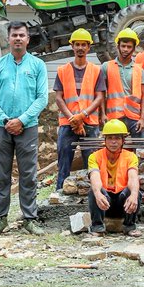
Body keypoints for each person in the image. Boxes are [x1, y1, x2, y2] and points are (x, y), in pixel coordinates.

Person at [0, 22, 48, 236]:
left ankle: (29, 219)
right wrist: (4, 119)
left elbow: (42, 98)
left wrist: (21, 119)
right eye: (14, 35)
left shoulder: (37, 65)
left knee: (28, 174)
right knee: (1, 175)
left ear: (28, 39)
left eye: (22, 35)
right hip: (1, 127)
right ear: (8, 39)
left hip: (27, 127)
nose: (18, 39)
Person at [54, 29, 105, 192]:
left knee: (92, 162)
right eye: (77, 44)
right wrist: (73, 119)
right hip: (67, 124)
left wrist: (82, 116)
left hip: (89, 123)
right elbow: (59, 98)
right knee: (64, 162)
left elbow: (99, 97)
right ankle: (60, 193)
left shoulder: (97, 70)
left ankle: (94, 194)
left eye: (84, 44)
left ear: (89, 47)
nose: (80, 48)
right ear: (72, 46)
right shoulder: (62, 70)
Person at [88, 119, 141, 236]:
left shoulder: (131, 156)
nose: (113, 142)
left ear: (123, 140)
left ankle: (129, 226)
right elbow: (94, 176)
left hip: (123, 203)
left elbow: (133, 177)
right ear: (105, 140)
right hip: (104, 202)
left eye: (117, 138)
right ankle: (97, 227)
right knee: (94, 191)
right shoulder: (94, 157)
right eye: (110, 138)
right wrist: (97, 194)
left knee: (135, 192)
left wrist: (133, 195)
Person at [103, 28, 144, 135]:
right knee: (114, 149)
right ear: (118, 46)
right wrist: (103, 114)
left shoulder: (139, 70)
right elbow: (101, 93)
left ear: (134, 48)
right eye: (123, 46)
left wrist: (142, 119)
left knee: (140, 150)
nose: (125, 49)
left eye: (129, 47)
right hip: (114, 117)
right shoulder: (106, 67)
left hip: (134, 117)